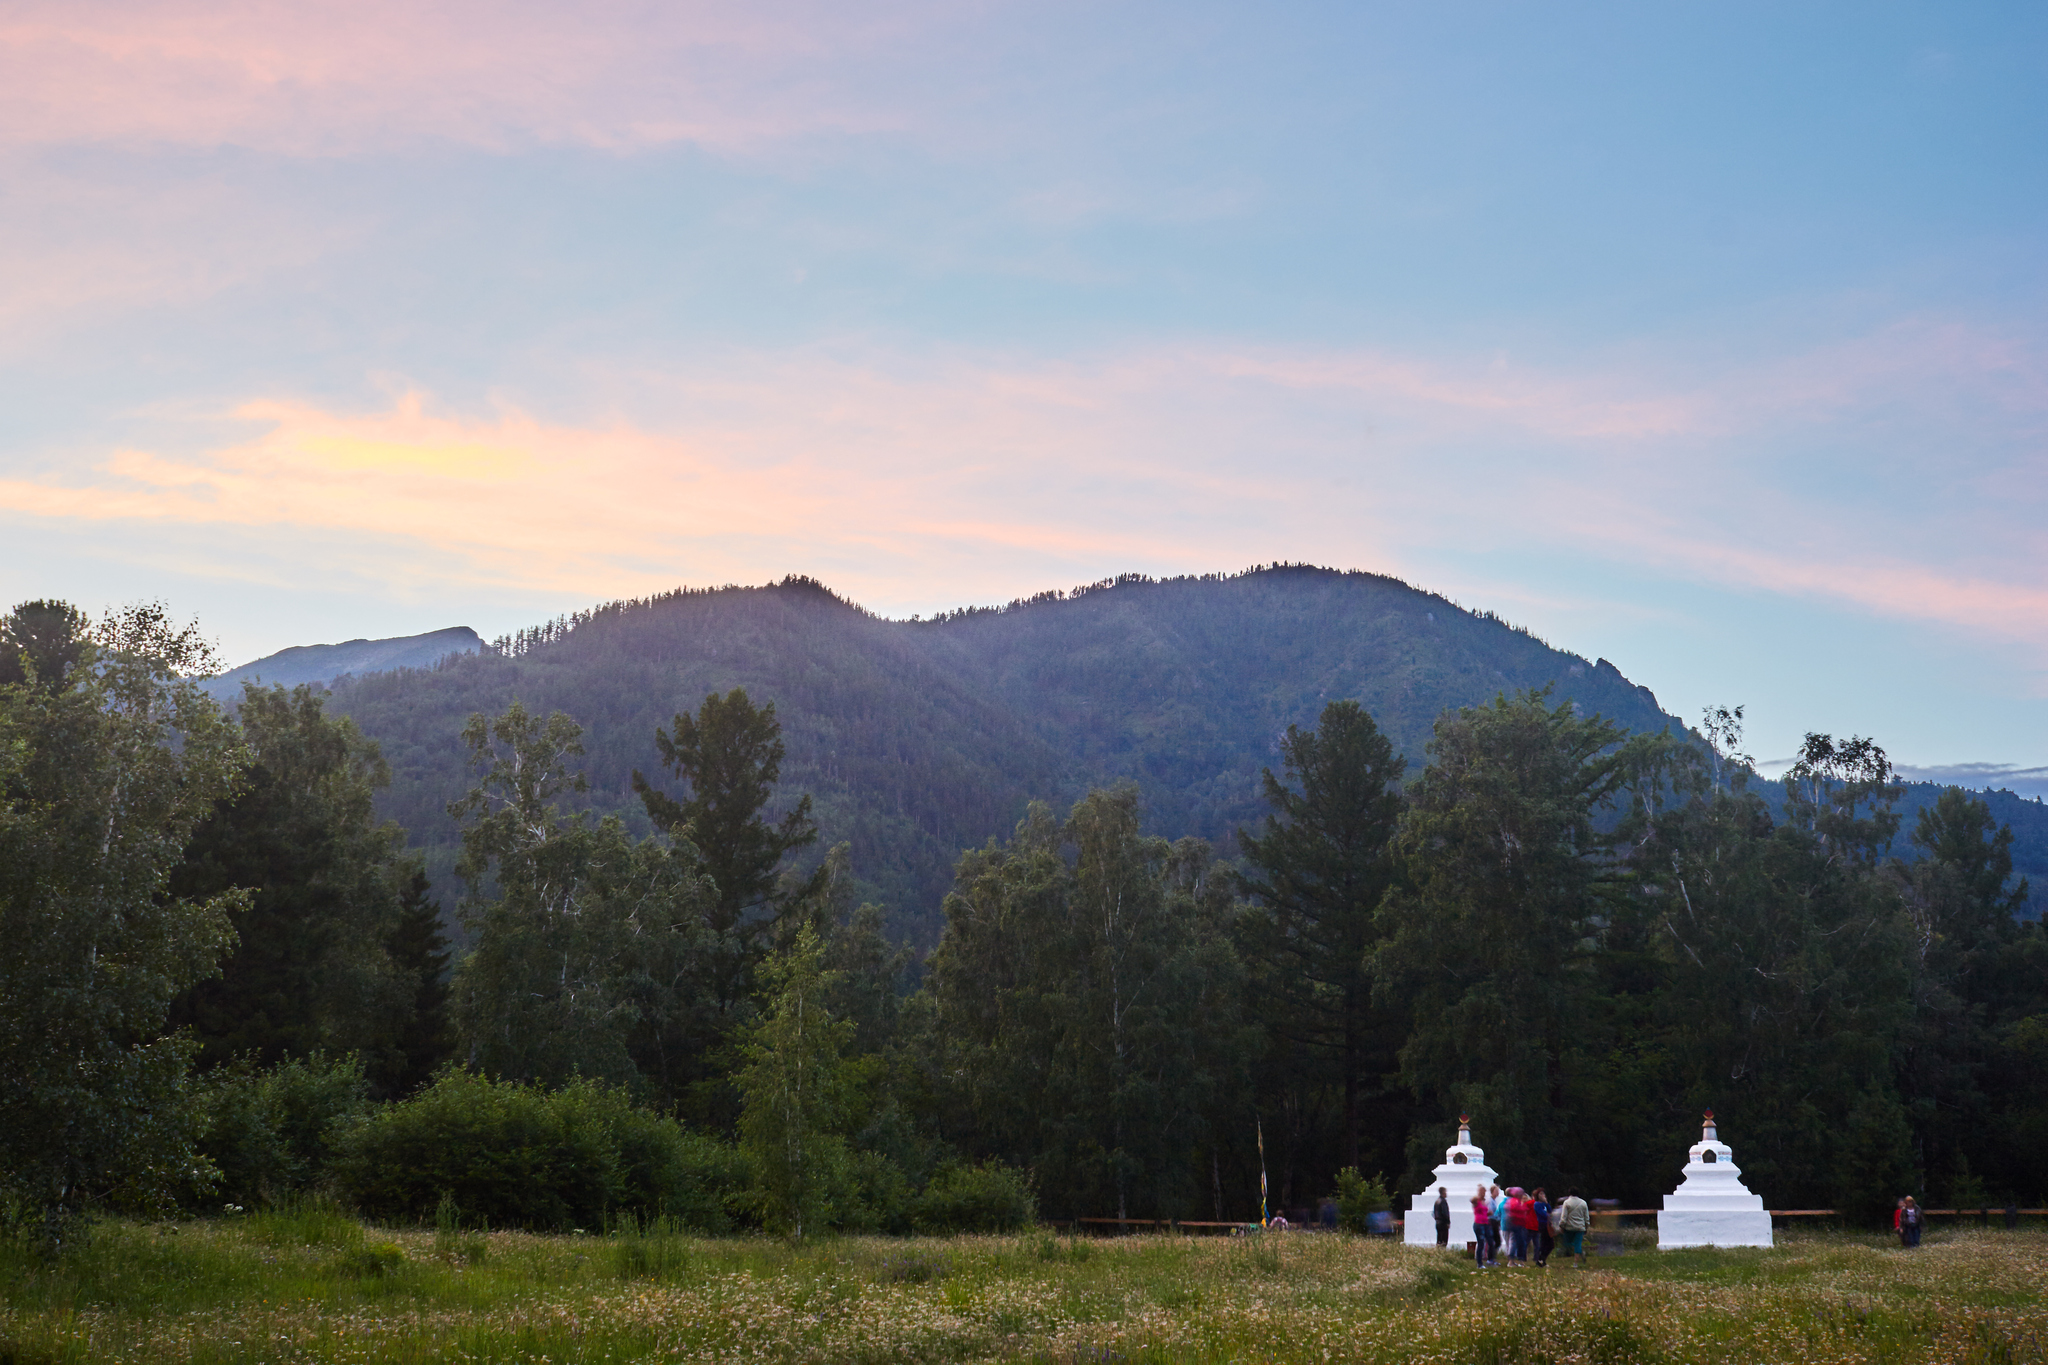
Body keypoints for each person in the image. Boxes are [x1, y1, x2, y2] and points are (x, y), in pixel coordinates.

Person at [1557, 1188, 1590, 1269]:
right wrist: (1587, 1226)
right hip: (1580, 1227)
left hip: (1569, 1227)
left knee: (1567, 1243)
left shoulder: (1567, 1202)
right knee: (1578, 1244)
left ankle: (1579, 1253)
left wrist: (1561, 1225)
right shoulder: (1583, 1203)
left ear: (1569, 1193)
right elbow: (1586, 1217)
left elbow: (1564, 1216)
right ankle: (1576, 1261)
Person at [1471, 1184, 1495, 1267]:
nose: (1484, 1193)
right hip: (1478, 1224)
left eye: (1484, 1191)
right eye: (1482, 1191)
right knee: (1481, 1243)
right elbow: (1472, 1201)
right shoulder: (1476, 1201)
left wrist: (1489, 1213)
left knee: (1490, 1241)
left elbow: (1484, 1213)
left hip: (1485, 1223)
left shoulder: (1484, 1201)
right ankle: (1479, 1263)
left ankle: (1490, 1259)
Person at [1531, 1188, 1554, 1268]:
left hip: (1548, 1224)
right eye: (1540, 1194)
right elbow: (1543, 1214)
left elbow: (1550, 1211)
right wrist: (1549, 1216)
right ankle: (1541, 1259)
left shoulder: (1544, 1204)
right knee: (1545, 1242)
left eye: (1543, 1194)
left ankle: (1542, 1258)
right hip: (1542, 1224)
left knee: (1550, 1244)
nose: (1542, 1196)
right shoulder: (1537, 1204)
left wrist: (1547, 1203)